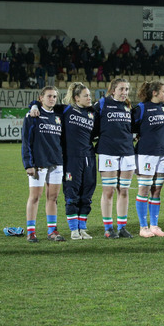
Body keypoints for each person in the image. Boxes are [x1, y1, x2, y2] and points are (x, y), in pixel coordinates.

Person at [22, 86, 64, 243]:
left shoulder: (59, 115)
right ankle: (31, 232)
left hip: (56, 163)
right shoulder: (33, 115)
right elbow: (26, 141)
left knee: (53, 197)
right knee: (35, 197)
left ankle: (52, 231)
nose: (52, 99)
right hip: (38, 163)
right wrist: (28, 164)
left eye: (54, 96)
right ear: (41, 98)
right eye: (49, 96)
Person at [94, 78, 135, 238]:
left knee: (123, 190)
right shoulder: (102, 104)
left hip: (127, 152)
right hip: (108, 152)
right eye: (121, 89)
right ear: (113, 90)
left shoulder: (128, 106)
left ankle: (122, 227)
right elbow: (91, 120)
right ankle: (108, 228)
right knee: (109, 191)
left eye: (127, 89)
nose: (125, 92)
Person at [132, 80, 164, 237]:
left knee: (157, 190)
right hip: (146, 154)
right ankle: (143, 227)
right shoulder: (141, 108)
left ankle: (154, 225)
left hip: (162, 154)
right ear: (155, 93)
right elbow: (131, 128)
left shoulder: (163, 107)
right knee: (144, 189)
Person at [60, 83, 97, 240]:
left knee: (86, 194)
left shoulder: (92, 113)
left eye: (89, 95)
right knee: (71, 193)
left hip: (89, 158)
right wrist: (34, 106)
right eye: (86, 95)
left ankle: (82, 228)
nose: (89, 98)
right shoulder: (66, 110)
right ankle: (74, 230)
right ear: (76, 98)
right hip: (72, 158)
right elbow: (43, 106)